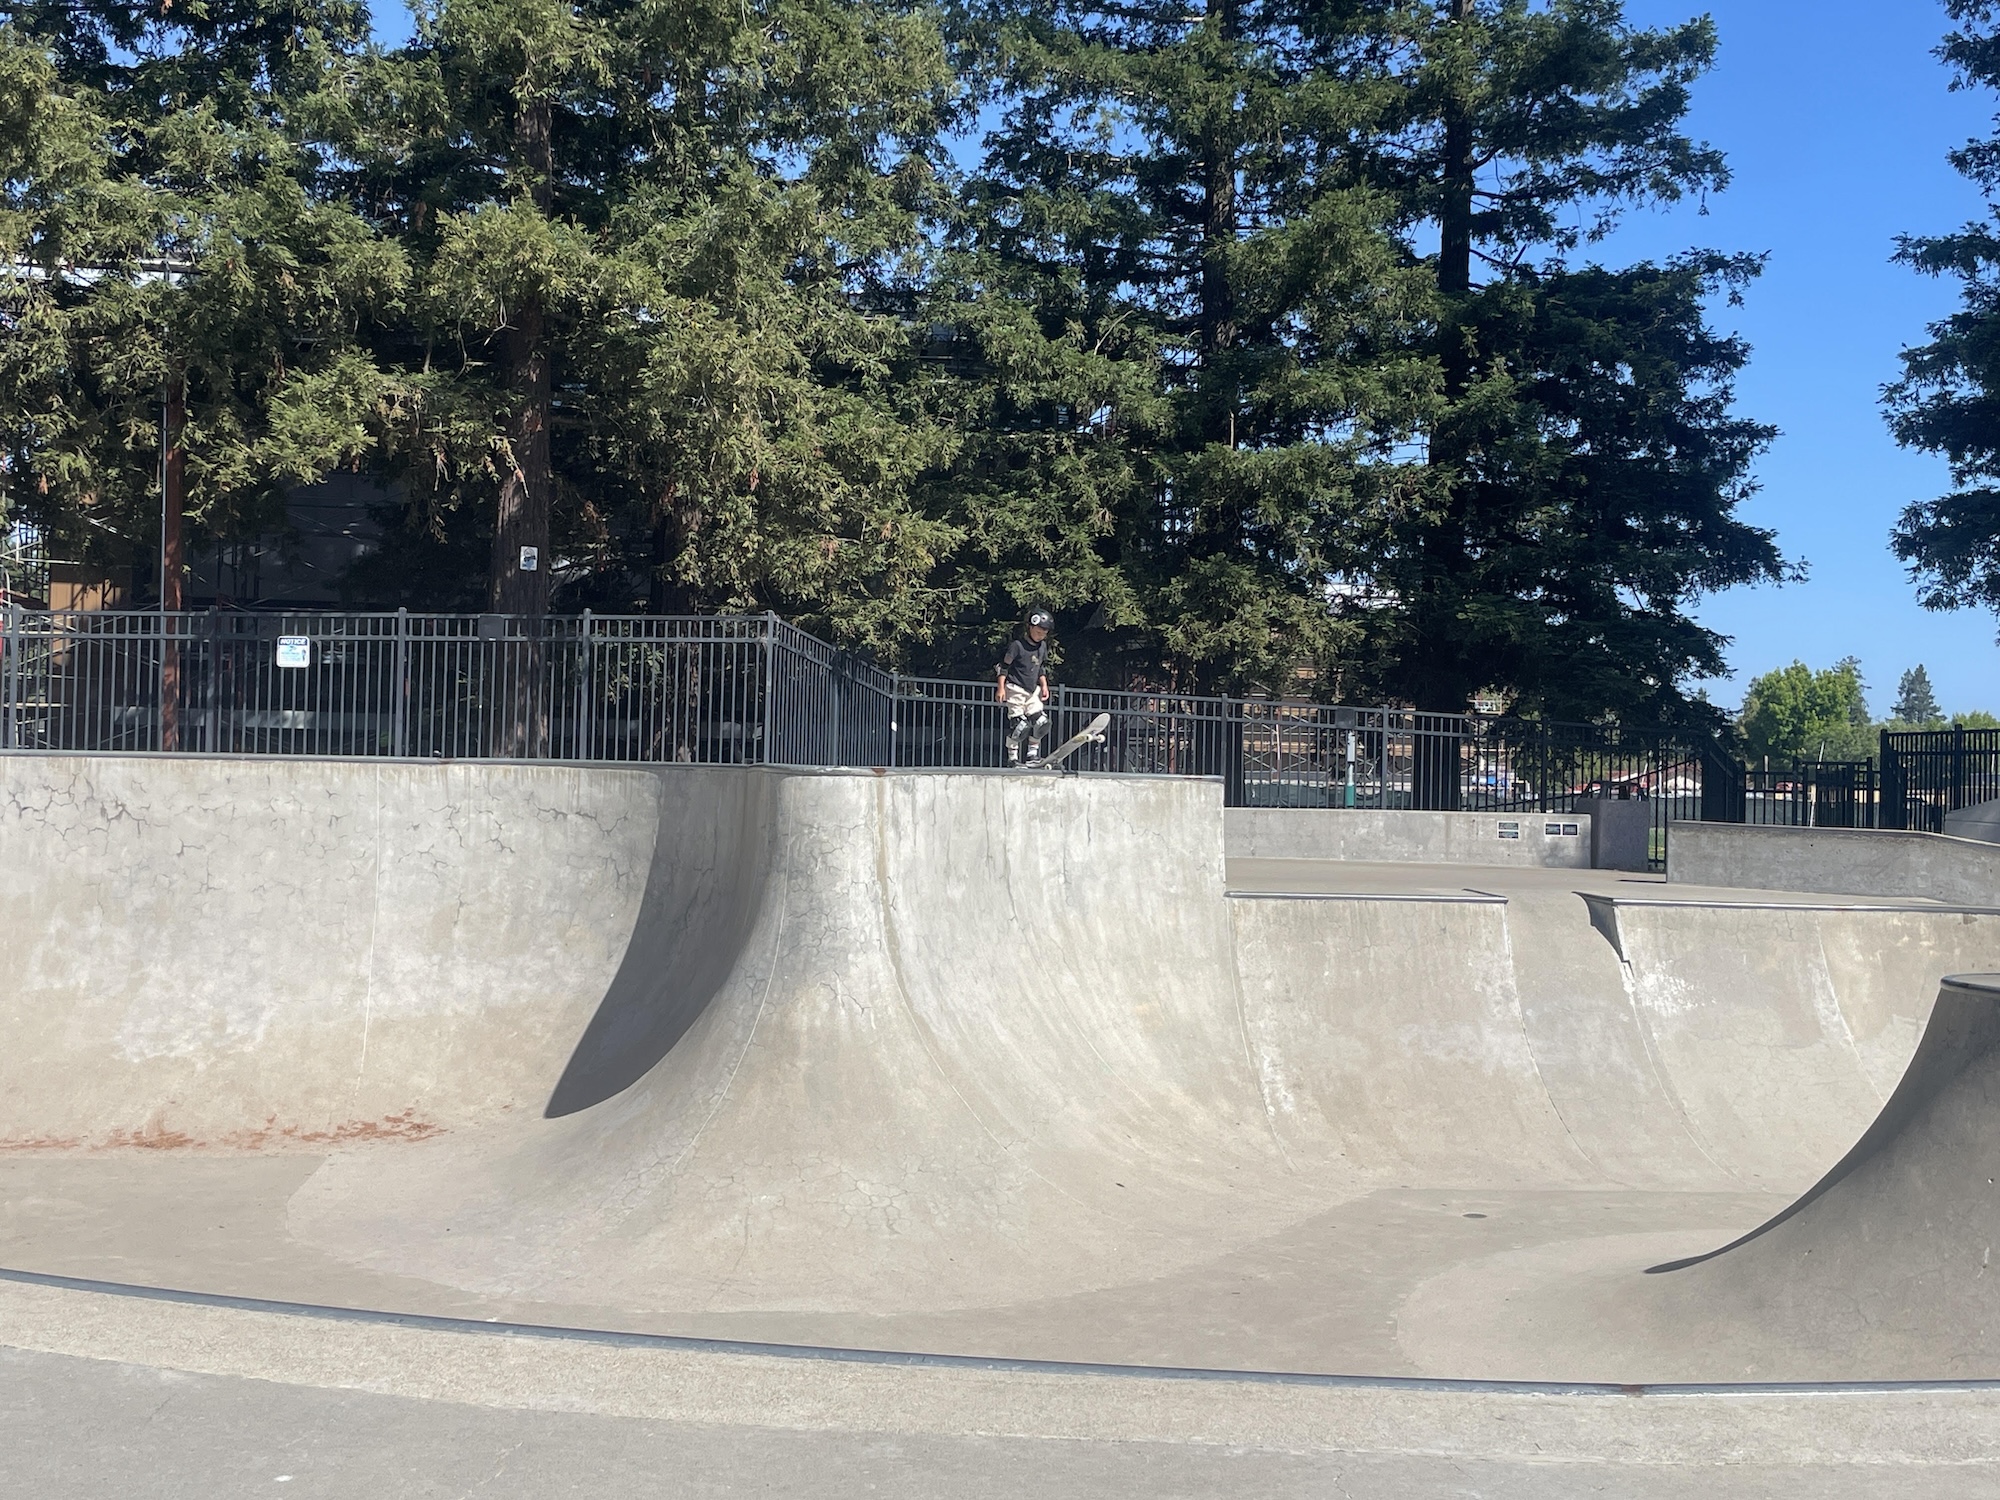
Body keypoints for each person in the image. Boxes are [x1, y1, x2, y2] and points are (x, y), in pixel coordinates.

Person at [995, 609, 1054, 766]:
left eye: (1044, 633)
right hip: (1015, 689)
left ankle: (1032, 755)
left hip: (1032, 691)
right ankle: (1012, 758)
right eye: (1039, 631)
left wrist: (1044, 685)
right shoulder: (1017, 646)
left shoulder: (1042, 647)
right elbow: (1003, 667)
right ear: (1030, 627)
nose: (1041, 635)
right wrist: (1000, 688)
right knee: (1020, 726)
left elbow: (1040, 668)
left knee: (1042, 722)